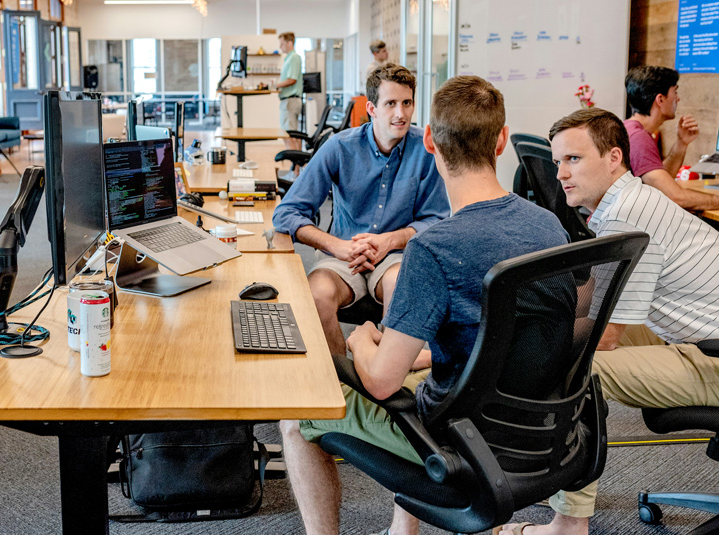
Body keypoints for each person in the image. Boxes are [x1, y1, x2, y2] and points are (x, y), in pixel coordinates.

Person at [280, 75, 570, 535]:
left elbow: (378, 382)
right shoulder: (550, 226)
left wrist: (362, 338)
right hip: (541, 432)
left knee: (295, 416)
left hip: (457, 441)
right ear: (501, 141)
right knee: (417, 372)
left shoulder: (433, 250)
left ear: (431, 141)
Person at [497, 107, 719, 535]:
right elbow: (592, 296)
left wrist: (512, 347)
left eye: (574, 159)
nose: (561, 173)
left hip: (710, 356)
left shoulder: (626, 215)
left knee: (579, 368)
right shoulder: (628, 201)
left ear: (614, 157)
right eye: (558, 160)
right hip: (696, 335)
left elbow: (604, 334)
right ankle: (559, 472)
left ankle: (569, 523)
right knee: (560, 338)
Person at [272, 63, 449, 358]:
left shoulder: (427, 150)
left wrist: (390, 241)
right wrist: (336, 246)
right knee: (317, 294)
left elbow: (438, 219)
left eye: (407, 103)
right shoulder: (339, 148)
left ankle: (386, 376)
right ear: (371, 108)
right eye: (390, 103)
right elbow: (287, 212)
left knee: (400, 286)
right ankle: (343, 379)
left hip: (396, 255)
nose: (401, 114)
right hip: (343, 253)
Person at [623, 66, 719, 211]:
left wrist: (681, 143)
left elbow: (661, 184)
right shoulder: (638, 138)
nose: (678, 98)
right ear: (660, 99)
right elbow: (675, 196)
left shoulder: (631, 129)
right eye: (675, 92)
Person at [276, 32, 303, 152]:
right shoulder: (289, 58)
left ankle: (296, 168)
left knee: (289, 136)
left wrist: (276, 85)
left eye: (282, 44)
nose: (280, 46)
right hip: (288, 101)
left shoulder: (294, 58)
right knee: (292, 136)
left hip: (290, 101)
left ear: (290, 43)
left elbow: (292, 79)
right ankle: (297, 168)